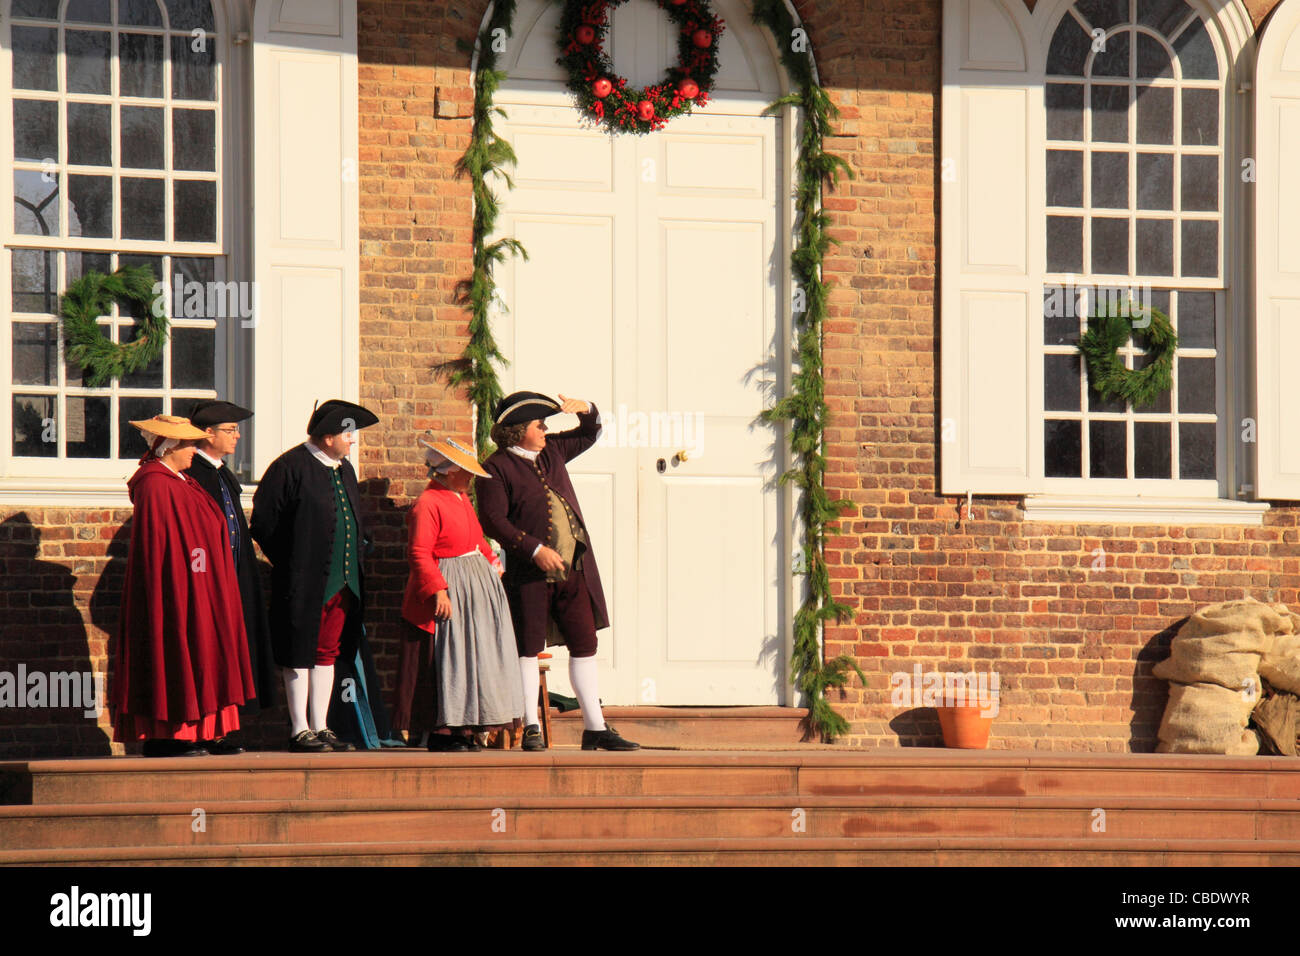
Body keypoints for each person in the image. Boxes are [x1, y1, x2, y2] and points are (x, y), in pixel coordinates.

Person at [476, 391, 639, 751]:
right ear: (519, 431)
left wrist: (589, 410)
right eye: (540, 425)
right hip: (529, 574)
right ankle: (531, 726)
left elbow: (588, 433)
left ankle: (594, 727)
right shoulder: (496, 467)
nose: (546, 430)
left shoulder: (552, 452)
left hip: (573, 569)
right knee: (528, 647)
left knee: (585, 643)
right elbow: (492, 520)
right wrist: (533, 549)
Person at [111, 415, 255, 757]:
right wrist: (185, 580)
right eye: (189, 444)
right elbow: (162, 546)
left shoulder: (183, 481)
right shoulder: (155, 483)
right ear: (169, 446)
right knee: (175, 653)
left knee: (205, 652)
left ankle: (207, 731)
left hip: (202, 585)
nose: (195, 449)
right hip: (175, 589)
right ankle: (169, 735)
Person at [250, 399, 384, 753]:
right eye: (349, 434)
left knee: (327, 651)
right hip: (303, 582)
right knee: (298, 652)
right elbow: (263, 523)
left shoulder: (345, 470)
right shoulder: (289, 467)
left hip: (343, 582)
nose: (352, 441)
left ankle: (321, 726)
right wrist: (293, 561)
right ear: (328, 437)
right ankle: (299, 729)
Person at [395, 437, 524, 751]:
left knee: (471, 658)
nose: (471, 477)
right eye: (466, 471)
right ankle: (443, 732)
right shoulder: (428, 503)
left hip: (474, 592)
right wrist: (438, 590)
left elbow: (475, 539)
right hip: (450, 589)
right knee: (449, 658)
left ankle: (464, 729)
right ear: (450, 470)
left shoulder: (461, 499)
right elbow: (419, 552)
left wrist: (492, 562)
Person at [185, 400, 278, 753]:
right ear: (207, 434)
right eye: (230, 430)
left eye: (237, 429)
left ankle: (222, 728)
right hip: (208, 581)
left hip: (235, 576)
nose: (237, 436)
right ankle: (204, 730)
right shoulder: (194, 473)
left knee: (232, 654)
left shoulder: (223, 472)